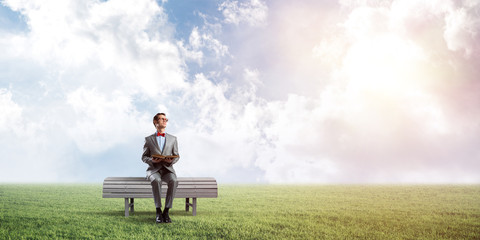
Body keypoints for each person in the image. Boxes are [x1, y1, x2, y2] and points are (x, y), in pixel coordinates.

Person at [141, 113, 179, 223]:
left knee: (174, 180)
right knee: (156, 180)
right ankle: (158, 210)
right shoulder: (148, 139)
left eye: (166, 119)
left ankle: (166, 211)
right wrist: (152, 161)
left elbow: (177, 155)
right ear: (155, 122)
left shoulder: (173, 139)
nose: (165, 120)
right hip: (153, 169)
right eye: (162, 119)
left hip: (168, 169)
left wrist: (171, 161)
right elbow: (144, 157)